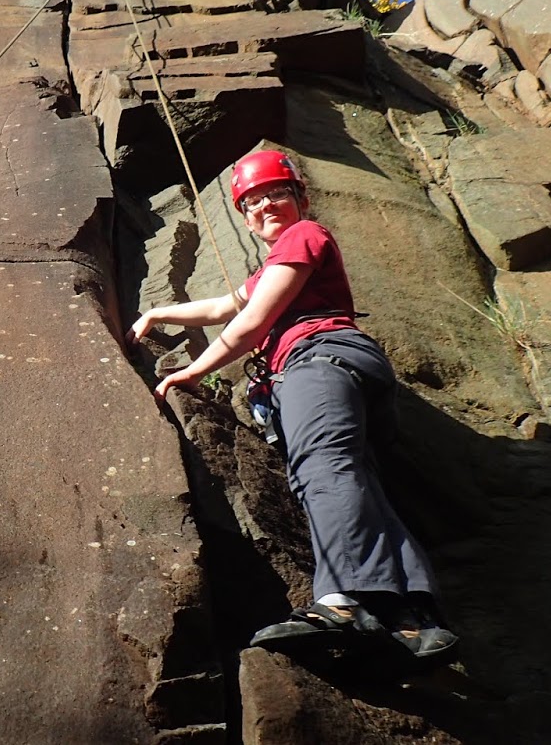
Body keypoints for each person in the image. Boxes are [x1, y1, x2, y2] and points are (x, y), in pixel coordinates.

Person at [127, 149, 458, 661]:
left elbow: (253, 323)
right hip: (343, 369)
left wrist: (193, 370)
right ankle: (412, 616)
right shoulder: (276, 265)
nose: (264, 206)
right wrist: (156, 313)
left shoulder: (305, 235)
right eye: (252, 202)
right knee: (358, 482)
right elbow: (222, 307)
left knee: (321, 468)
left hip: (317, 361)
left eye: (276, 193)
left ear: (300, 197)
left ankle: (343, 603)